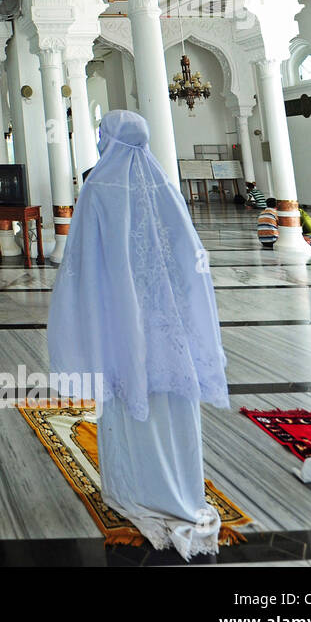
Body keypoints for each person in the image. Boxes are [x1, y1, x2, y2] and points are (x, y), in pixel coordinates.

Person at [47, 110, 230, 560]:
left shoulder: (98, 189)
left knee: (130, 402)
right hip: (171, 331)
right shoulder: (165, 186)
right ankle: (180, 490)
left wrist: (90, 319)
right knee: (173, 404)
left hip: (123, 326)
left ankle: (135, 490)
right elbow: (191, 262)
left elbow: (81, 268)